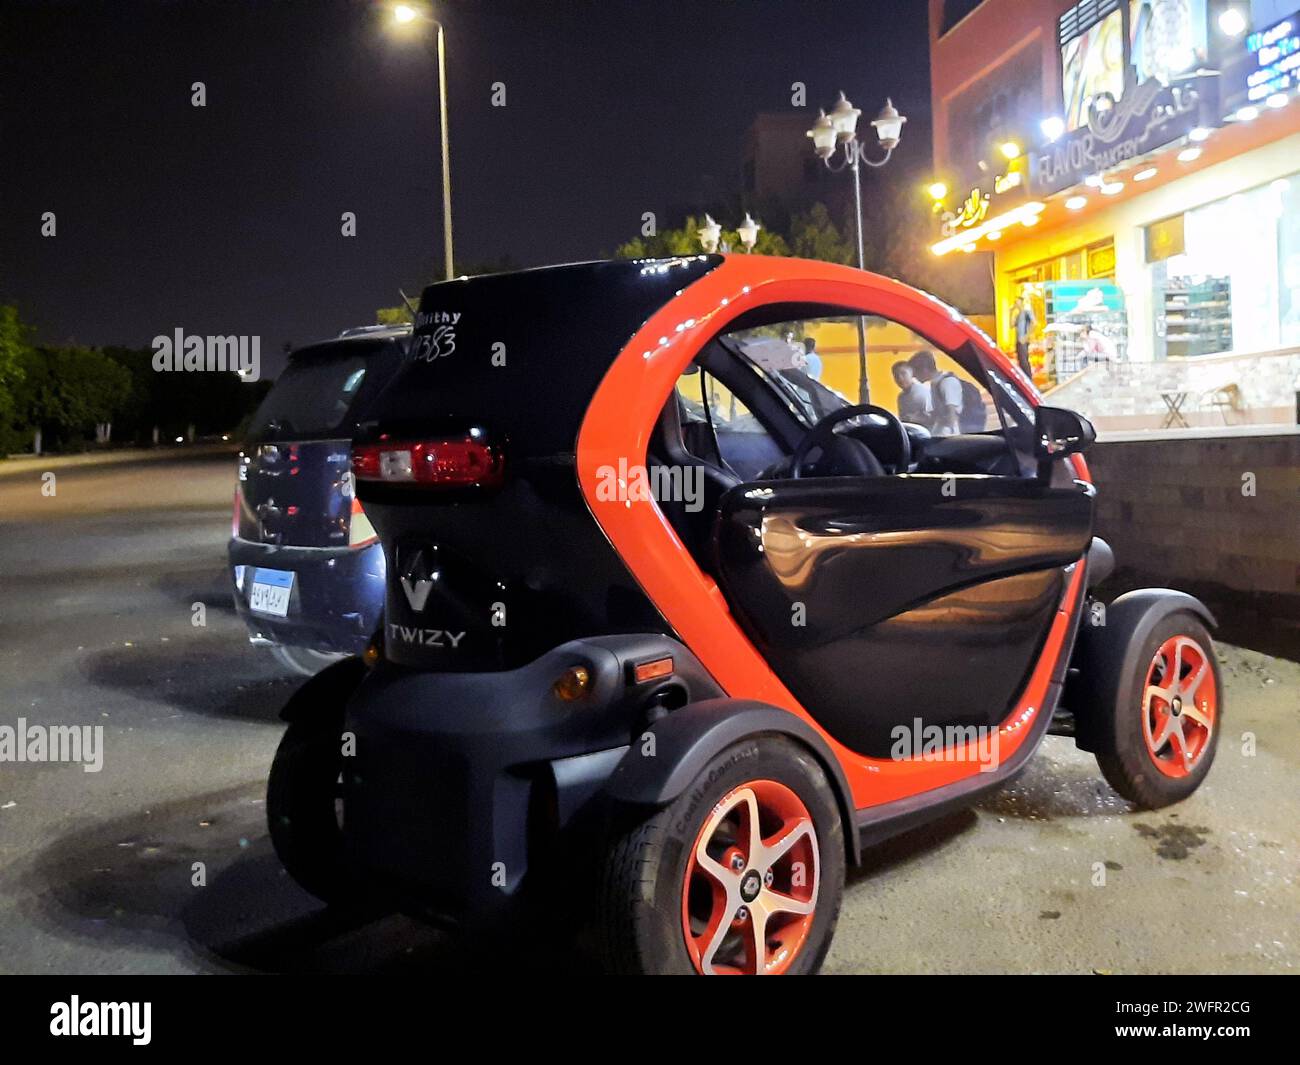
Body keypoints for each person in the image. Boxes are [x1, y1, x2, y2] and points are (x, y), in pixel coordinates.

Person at [908, 350, 963, 436]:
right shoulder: (934, 384)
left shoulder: (947, 382)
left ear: (924, 370)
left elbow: (951, 419)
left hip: (948, 436)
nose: (913, 376)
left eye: (915, 372)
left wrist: (924, 419)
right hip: (938, 434)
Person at [891, 360, 931, 426]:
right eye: (896, 376)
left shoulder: (923, 392)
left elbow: (935, 418)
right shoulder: (901, 397)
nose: (900, 378)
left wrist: (914, 419)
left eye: (903, 373)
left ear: (912, 373)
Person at [1012, 289, 1036, 378]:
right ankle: (1024, 378)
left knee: (1024, 361)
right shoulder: (1018, 315)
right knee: (1021, 361)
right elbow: (1011, 325)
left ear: (1021, 302)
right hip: (1018, 340)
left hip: (1023, 340)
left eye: (1017, 302)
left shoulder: (1027, 312)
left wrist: (1026, 336)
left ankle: (1028, 378)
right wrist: (1011, 312)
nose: (1016, 304)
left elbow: (1034, 323)